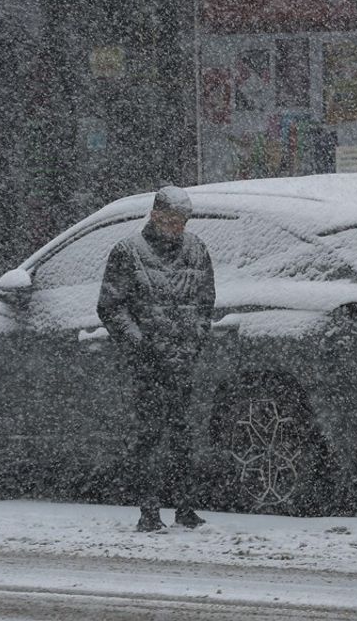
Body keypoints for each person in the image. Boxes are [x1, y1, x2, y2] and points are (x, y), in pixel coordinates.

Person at [98, 186, 216, 532]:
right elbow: (110, 307)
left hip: (182, 360)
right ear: (155, 215)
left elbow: (205, 302)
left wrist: (193, 340)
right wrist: (141, 345)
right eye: (172, 220)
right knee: (149, 437)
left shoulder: (197, 250)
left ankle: (185, 508)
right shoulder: (128, 252)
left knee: (182, 436)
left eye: (183, 220)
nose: (178, 227)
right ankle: (149, 512)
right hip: (147, 365)